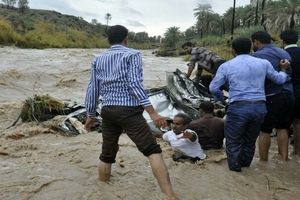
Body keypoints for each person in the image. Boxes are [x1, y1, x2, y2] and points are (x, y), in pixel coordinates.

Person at [84, 25, 177, 200]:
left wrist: (90, 114)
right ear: (126, 39)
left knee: (107, 154)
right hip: (128, 111)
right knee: (152, 150)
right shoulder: (132, 54)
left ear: (108, 40)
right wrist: (153, 113)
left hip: (108, 111)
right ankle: (170, 195)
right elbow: (134, 84)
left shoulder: (98, 59)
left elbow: (93, 88)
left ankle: (102, 192)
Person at [209, 37, 289, 172]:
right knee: (250, 140)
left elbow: (213, 88)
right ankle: (246, 166)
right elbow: (279, 80)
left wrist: (221, 99)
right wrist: (284, 69)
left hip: (238, 107)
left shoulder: (227, 65)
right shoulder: (263, 63)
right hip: (259, 107)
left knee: (233, 141)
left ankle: (236, 172)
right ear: (251, 47)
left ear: (232, 50)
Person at [251, 31, 294, 161]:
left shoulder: (257, 56)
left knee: (265, 130)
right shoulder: (283, 52)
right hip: (288, 94)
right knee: (283, 128)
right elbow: (288, 71)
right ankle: (284, 159)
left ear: (256, 42)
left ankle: (263, 162)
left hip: (271, 96)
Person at [280, 29, 300, 155]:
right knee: (298, 122)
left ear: (283, 41)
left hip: (286, 91)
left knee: (283, 125)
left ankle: (283, 155)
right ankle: (297, 151)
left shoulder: (282, 54)